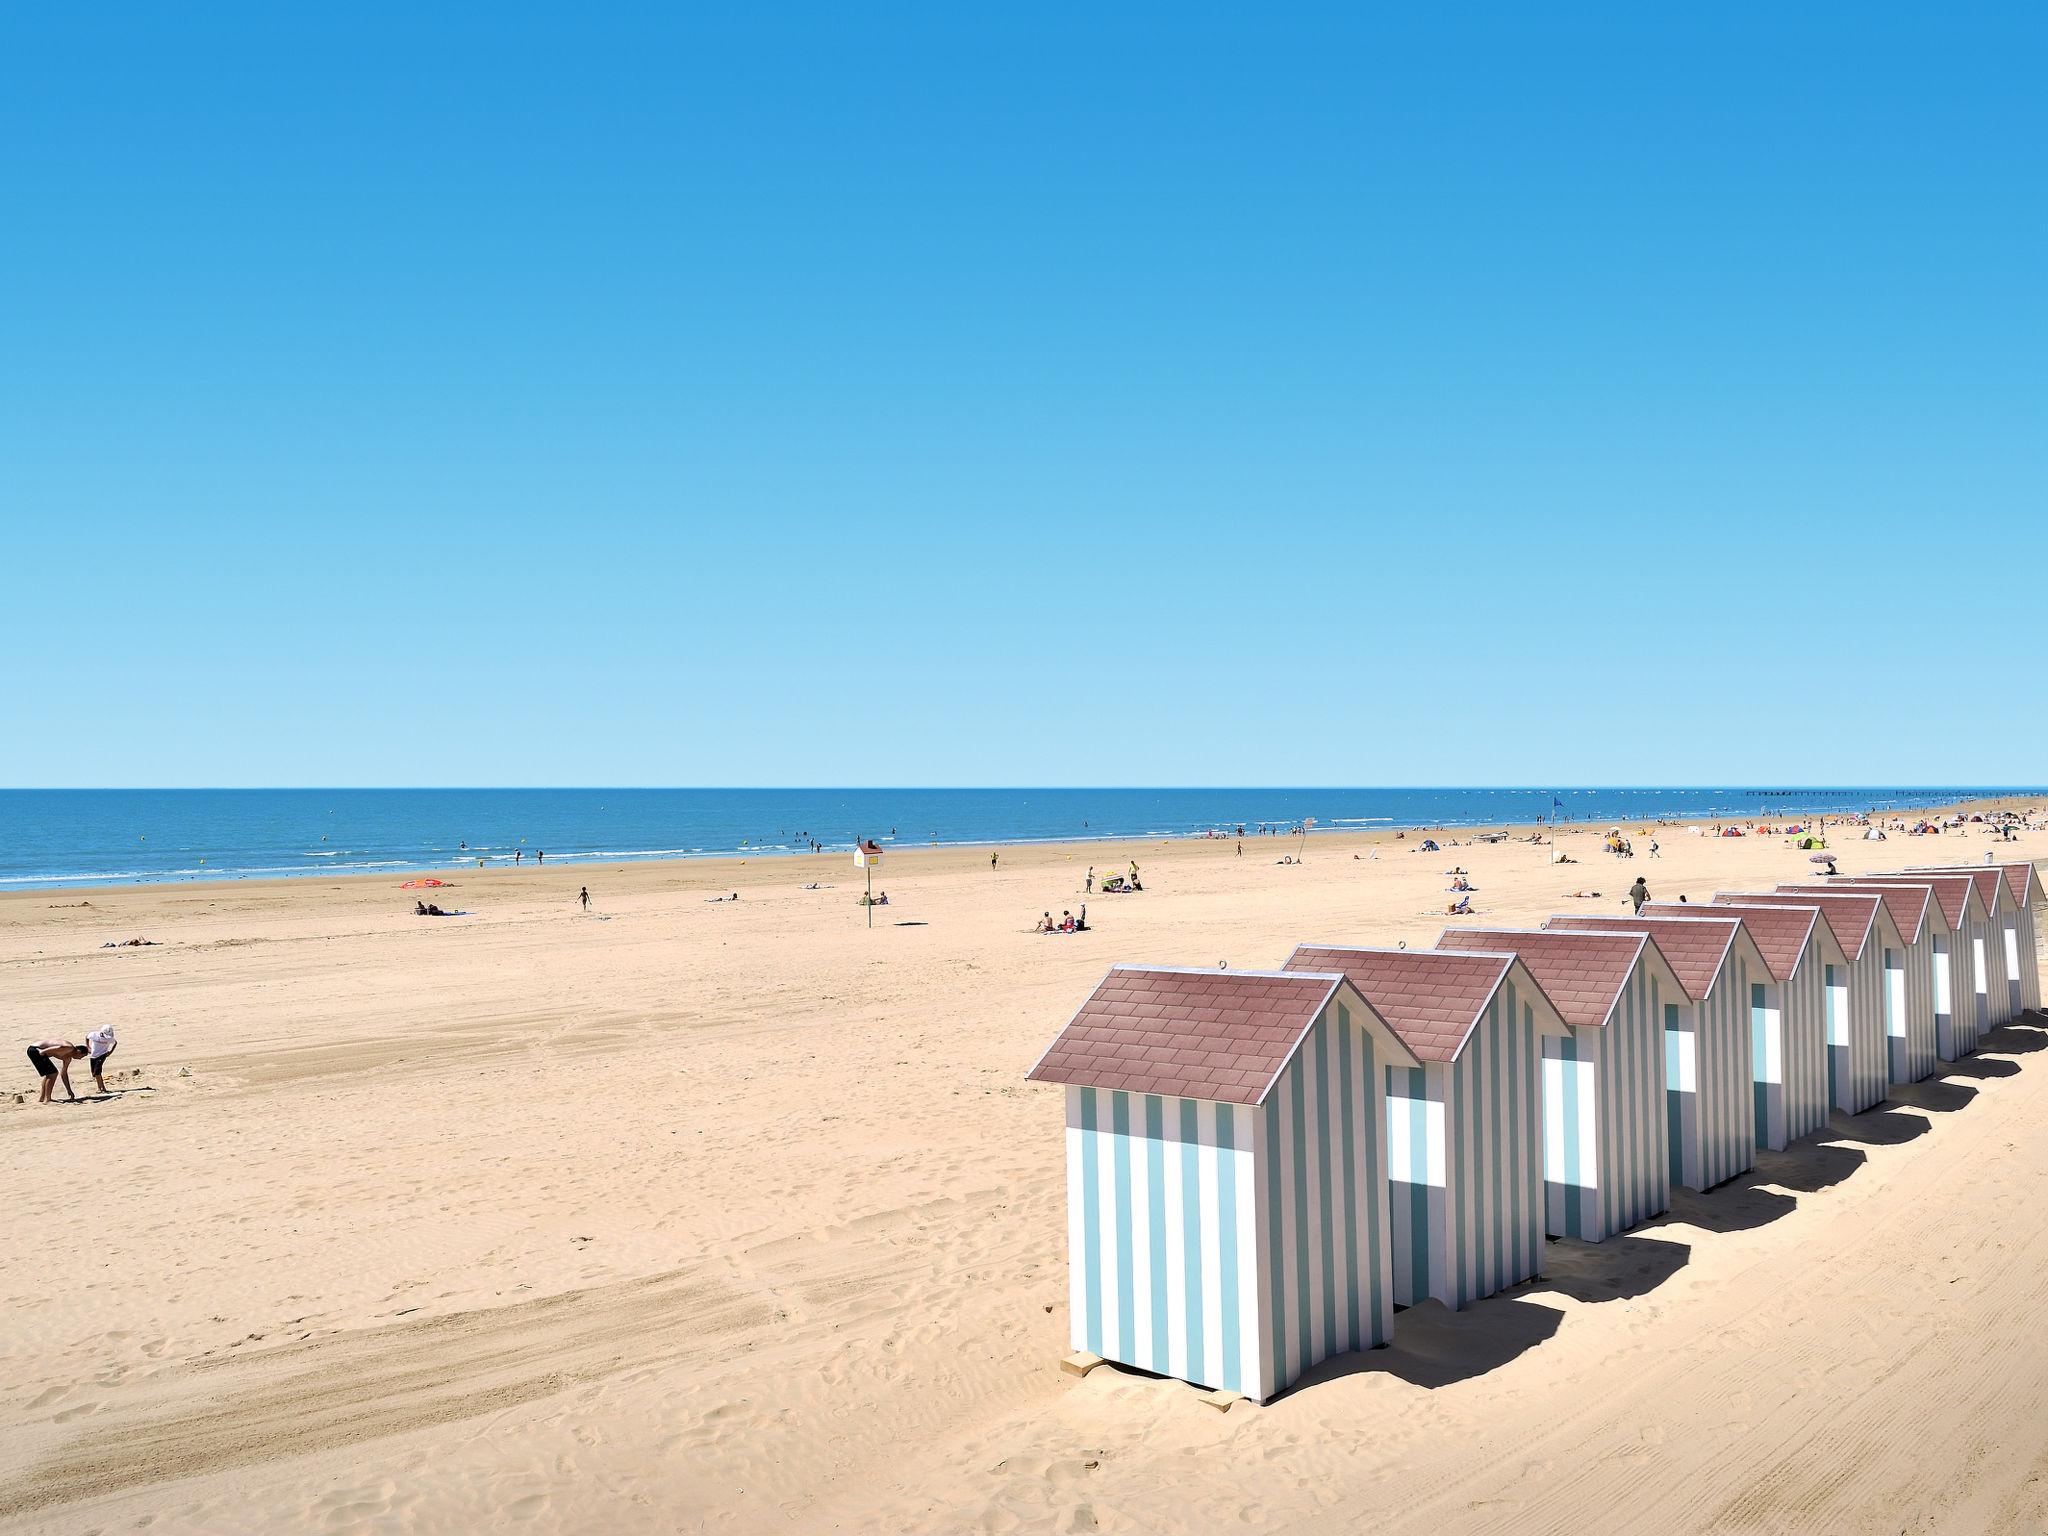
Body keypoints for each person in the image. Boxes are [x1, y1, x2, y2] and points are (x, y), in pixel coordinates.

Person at [26, 1039, 87, 1104]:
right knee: (53, 1074)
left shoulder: (67, 1059)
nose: (80, 1058)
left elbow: (64, 1074)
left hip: (37, 1052)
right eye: (82, 1056)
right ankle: (48, 1099)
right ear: (79, 1051)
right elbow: (59, 1047)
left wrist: (69, 1091)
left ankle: (42, 1098)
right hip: (36, 1049)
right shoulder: (70, 1048)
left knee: (50, 1074)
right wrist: (43, 1051)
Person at [86, 1024, 117, 1092]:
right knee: (94, 1073)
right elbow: (87, 1037)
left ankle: (102, 1088)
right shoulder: (94, 1035)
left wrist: (110, 1052)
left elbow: (115, 1043)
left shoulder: (110, 1038)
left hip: (102, 1054)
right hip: (93, 1055)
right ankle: (99, 1087)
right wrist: (88, 1047)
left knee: (97, 1071)